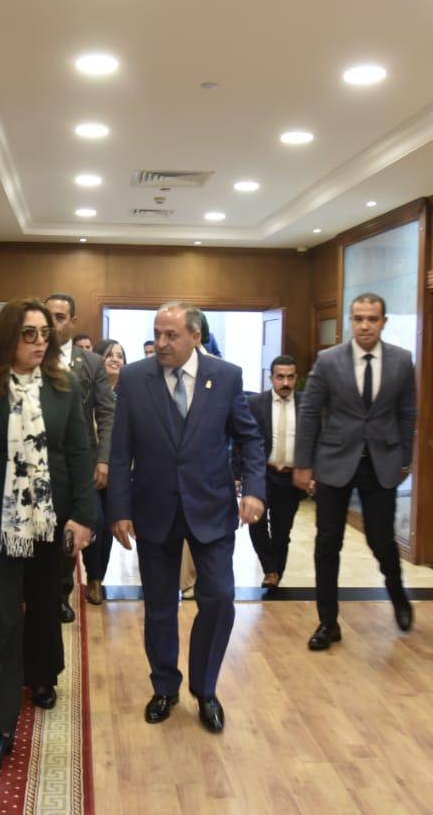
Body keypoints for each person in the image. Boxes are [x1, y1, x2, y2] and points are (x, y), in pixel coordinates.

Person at [0, 298, 97, 779]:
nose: (39, 342)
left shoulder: (63, 387)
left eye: (45, 333)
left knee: (45, 603)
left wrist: (84, 515)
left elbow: (80, 451)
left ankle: (42, 674)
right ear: (9, 337)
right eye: (29, 334)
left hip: (51, 520)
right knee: (3, 619)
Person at [108, 301, 265, 734]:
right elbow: (120, 451)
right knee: (160, 605)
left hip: (211, 508)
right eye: (157, 333)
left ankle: (205, 687)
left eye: (171, 335)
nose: (161, 343)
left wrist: (254, 490)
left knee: (220, 598)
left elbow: (249, 440)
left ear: (196, 337)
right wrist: (119, 509)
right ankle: (164, 687)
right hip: (154, 508)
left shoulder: (226, 376)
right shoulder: (135, 378)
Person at [294, 292, 416, 652]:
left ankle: (398, 595)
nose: (364, 326)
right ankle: (327, 621)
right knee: (327, 543)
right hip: (335, 462)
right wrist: (303, 463)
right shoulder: (329, 360)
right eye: (358, 319)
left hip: (381, 463)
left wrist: (405, 459)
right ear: (351, 321)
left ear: (383, 322)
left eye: (372, 319)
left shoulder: (401, 360)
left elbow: (408, 413)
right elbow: (310, 412)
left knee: (381, 540)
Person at [45, 294, 115, 623]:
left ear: (72, 321)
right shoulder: (30, 355)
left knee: (71, 524)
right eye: (48, 315)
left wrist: (104, 459)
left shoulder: (91, 363)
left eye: (60, 317)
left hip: (78, 459)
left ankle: (60, 593)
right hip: (36, 457)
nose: (53, 323)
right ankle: (37, 590)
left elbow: (107, 414)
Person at [247, 355, 306, 589]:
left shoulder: (306, 404)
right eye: (280, 377)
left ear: (296, 378)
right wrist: (238, 474)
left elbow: (315, 439)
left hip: (289, 477)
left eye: (290, 377)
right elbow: (243, 441)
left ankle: (276, 571)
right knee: (256, 522)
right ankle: (270, 570)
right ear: (271, 378)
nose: (285, 383)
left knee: (282, 531)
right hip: (261, 474)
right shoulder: (255, 403)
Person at [82, 339, 125, 605]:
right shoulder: (88, 390)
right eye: (109, 354)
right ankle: (93, 577)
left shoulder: (130, 392)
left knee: (109, 525)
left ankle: (98, 576)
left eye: (120, 355)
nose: (115, 359)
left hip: (121, 470)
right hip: (90, 466)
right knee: (95, 520)